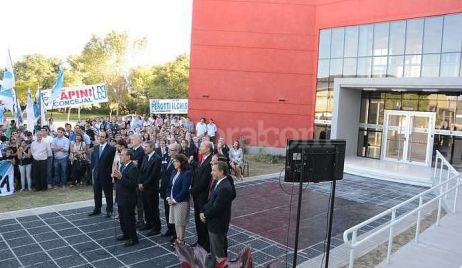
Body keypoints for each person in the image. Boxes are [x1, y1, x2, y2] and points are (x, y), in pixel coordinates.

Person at [200, 161, 235, 267]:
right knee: (215, 250)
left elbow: (217, 208)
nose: (211, 172)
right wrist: (202, 211)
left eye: (214, 170)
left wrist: (205, 215)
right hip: (214, 223)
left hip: (218, 224)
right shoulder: (218, 182)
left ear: (221, 172)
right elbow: (211, 201)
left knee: (218, 253)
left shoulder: (224, 187)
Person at [112, 148, 139, 247]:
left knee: (129, 219)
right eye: (121, 155)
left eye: (123, 155)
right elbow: (120, 180)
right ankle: (126, 234)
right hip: (121, 196)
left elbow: (132, 184)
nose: (121, 156)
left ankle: (133, 238)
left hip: (128, 198)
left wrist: (120, 177)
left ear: (128, 156)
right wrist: (115, 176)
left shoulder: (133, 168)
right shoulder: (122, 166)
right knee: (122, 218)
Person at [190, 141, 213, 251]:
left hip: (203, 196)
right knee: (197, 220)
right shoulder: (202, 160)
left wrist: (192, 190)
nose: (200, 147)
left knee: (203, 220)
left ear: (208, 149)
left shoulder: (210, 161)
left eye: (202, 146)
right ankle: (200, 241)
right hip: (197, 195)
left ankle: (206, 244)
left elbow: (204, 182)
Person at [166, 154, 192, 248]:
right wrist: (168, 197)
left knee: (180, 222)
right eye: (173, 161)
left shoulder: (187, 173)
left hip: (181, 202)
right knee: (176, 221)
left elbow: (185, 189)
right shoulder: (174, 172)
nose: (174, 163)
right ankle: (178, 238)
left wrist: (175, 199)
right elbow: (169, 186)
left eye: (176, 161)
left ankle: (181, 241)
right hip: (172, 201)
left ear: (181, 162)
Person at [89, 131, 116, 218]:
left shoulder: (111, 149)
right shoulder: (95, 148)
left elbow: (113, 162)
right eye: (99, 136)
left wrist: (111, 173)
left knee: (108, 194)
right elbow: (93, 161)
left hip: (106, 175)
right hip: (96, 174)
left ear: (106, 138)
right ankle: (97, 209)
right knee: (97, 193)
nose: (100, 138)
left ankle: (109, 210)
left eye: (102, 137)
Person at [138, 141, 162, 236]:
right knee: (146, 207)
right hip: (143, 187)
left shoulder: (157, 159)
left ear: (152, 147)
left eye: (146, 147)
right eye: (144, 146)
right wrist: (140, 182)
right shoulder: (145, 156)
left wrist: (144, 185)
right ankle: (148, 223)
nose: (144, 148)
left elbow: (154, 175)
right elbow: (141, 171)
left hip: (151, 188)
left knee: (153, 208)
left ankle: (156, 227)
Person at [160, 143, 181, 240]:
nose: (168, 151)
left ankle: (175, 234)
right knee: (167, 211)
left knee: (174, 214)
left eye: (171, 150)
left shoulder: (179, 161)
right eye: (168, 149)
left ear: (176, 151)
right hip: (166, 190)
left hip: (173, 191)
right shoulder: (169, 159)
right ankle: (170, 229)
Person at [131, 134, 145, 228]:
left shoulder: (141, 151)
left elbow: (137, 164)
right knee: (133, 201)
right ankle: (135, 220)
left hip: (138, 179)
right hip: (132, 179)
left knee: (139, 202)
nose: (131, 141)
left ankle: (141, 221)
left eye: (133, 139)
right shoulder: (132, 150)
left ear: (138, 140)